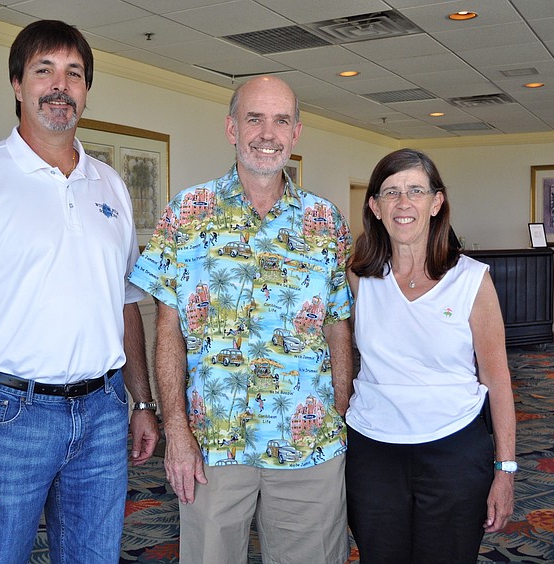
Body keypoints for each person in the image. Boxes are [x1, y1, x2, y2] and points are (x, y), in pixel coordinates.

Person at [0, 20, 159, 563]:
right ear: (17, 84)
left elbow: (125, 305)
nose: (60, 85)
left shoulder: (110, 186)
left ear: (86, 90)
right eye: (44, 70)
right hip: (7, 419)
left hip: (103, 413)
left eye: (74, 73)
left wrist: (142, 402)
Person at [129, 76, 353, 563]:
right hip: (212, 443)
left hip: (307, 445)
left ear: (296, 132)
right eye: (255, 119)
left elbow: (338, 325)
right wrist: (177, 431)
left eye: (281, 121)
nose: (267, 133)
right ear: (232, 128)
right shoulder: (187, 212)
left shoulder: (326, 221)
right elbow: (168, 332)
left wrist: (337, 411)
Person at [345, 148, 516, 563]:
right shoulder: (358, 275)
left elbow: (497, 380)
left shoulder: (471, 279)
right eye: (391, 192)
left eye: (416, 191)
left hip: (454, 449)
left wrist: (506, 470)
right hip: (373, 450)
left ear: (436, 203)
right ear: (375, 207)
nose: (403, 203)